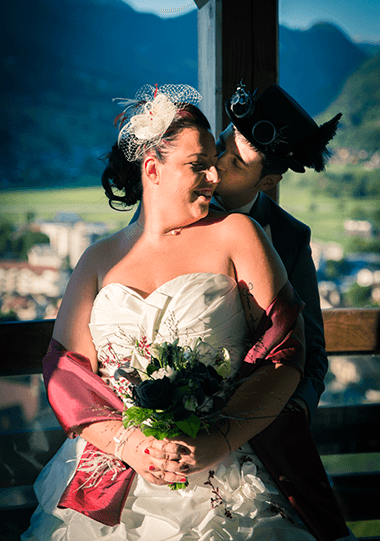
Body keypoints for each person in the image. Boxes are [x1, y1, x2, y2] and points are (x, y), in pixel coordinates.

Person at [22, 84, 349, 541]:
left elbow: (289, 352)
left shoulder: (245, 234)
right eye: (202, 165)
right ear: (152, 170)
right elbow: (68, 374)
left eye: (221, 164)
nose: (215, 177)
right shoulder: (97, 259)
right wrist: (132, 445)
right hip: (123, 464)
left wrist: (222, 439)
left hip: (229, 460)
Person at [213, 82, 342, 424]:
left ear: (267, 182)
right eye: (218, 145)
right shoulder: (169, 209)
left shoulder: (290, 237)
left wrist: (292, 413)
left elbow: (312, 349)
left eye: (237, 163)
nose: (217, 162)